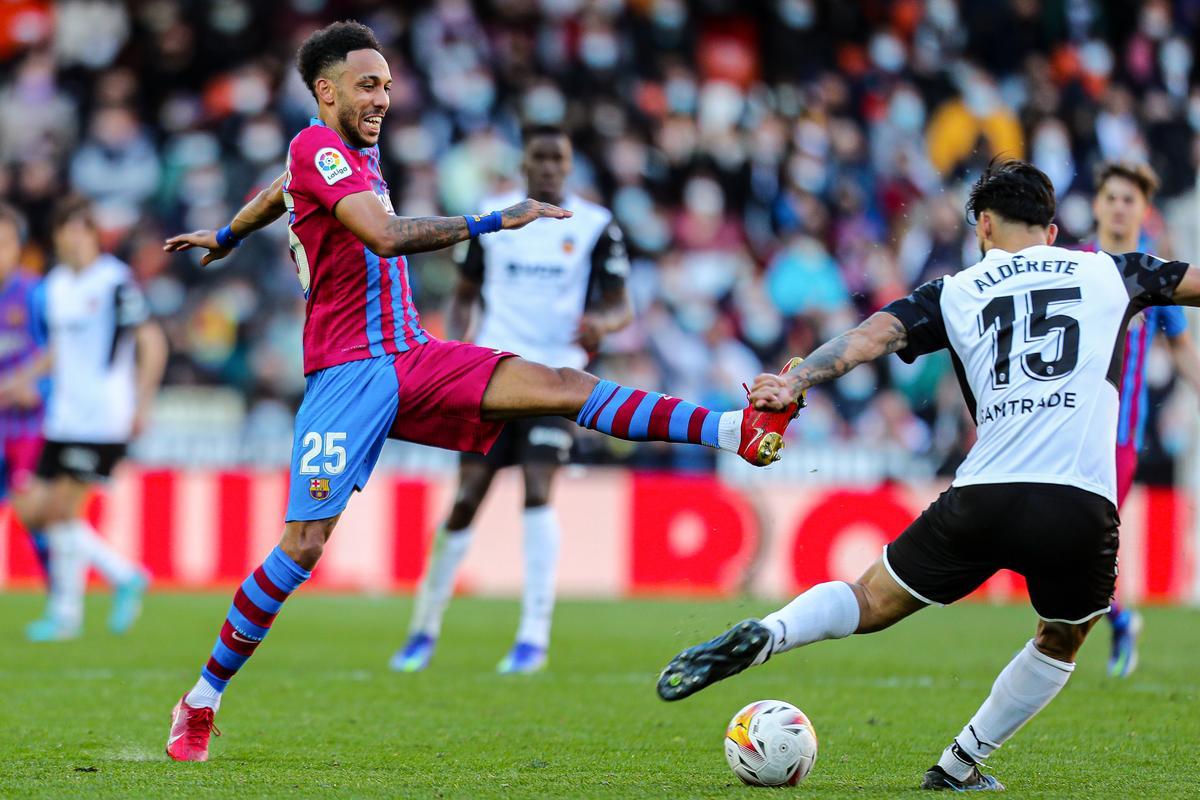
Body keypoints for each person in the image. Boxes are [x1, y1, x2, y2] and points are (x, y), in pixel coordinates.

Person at [161, 20, 798, 762]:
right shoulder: (317, 147)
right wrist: (499, 218)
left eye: (390, 86)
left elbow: (277, 193)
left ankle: (734, 432)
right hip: (346, 374)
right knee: (303, 546)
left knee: (562, 383)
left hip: (414, 353)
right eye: (369, 85)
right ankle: (201, 699)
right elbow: (387, 236)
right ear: (325, 89)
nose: (384, 98)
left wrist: (228, 235)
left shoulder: (345, 155)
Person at [655, 160, 1200, 791]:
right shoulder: (1113, 268)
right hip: (1078, 504)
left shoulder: (956, 289)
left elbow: (866, 339)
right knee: (1062, 637)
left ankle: (770, 632)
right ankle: (960, 764)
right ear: (1052, 231)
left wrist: (795, 381)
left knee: (869, 600)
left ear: (985, 225)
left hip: (983, 494)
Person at [392, 125, 633, 675]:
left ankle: (532, 638)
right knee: (466, 498)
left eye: (558, 158)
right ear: (524, 163)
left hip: (553, 381)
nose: (549, 167)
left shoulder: (595, 226)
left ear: (569, 166)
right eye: (540, 158)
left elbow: (623, 306)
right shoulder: (492, 215)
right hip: (493, 377)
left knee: (538, 490)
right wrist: (451, 351)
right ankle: (423, 630)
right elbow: (464, 295)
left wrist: (601, 321)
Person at [19, 195, 168, 642]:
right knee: (33, 511)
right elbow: (58, 351)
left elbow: (151, 341)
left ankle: (68, 613)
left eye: (81, 228)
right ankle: (120, 577)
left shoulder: (114, 281)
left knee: (63, 512)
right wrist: (19, 381)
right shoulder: (57, 285)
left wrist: (142, 403)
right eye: (65, 229)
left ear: (92, 234)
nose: (73, 237)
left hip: (103, 415)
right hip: (63, 415)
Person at [1088, 161, 1200, 678]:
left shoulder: (1156, 276)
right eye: (1110, 197)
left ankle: (1114, 620)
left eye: (1128, 199)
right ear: (1096, 205)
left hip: (1118, 439)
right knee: (1057, 544)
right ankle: (1121, 619)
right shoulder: (1074, 265)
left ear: (1143, 210)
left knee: (1080, 541)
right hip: (1063, 428)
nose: (1118, 206)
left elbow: (1181, 349)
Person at [0, 204, 50, 579]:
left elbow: (62, 353)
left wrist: (38, 387)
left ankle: (59, 597)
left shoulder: (36, 294)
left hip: (30, 424)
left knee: (33, 513)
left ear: (18, 247)